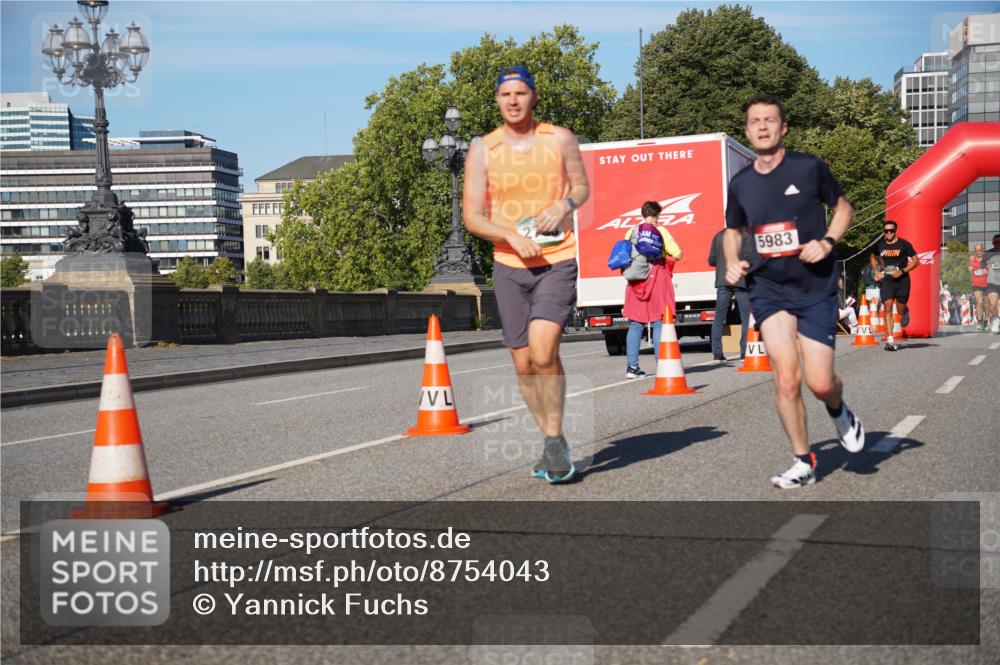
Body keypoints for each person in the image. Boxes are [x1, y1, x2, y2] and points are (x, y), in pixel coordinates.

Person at [723, 93, 865, 489]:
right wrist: (733, 259)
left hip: (814, 285)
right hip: (768, 287)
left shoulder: (808, 168)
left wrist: (829, 241)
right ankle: (803, 461)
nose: (763, 126)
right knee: (786, 378)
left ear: (784, 128)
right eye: (755, 121)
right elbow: (733, 231)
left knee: (819, 382)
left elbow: (843, 208)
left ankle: (838, 409)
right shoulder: (741, 183)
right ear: (747, 130)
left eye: (770, 120)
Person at [463, 66, 589, 484]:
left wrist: (564, 205)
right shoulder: (484, 149)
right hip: (509, 266)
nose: (513, 100)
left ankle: (554, 438)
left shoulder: (560, 138)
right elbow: (472, 217)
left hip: (557, 260)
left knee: (542, 350)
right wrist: (510, 237)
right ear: (497, 100)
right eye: (505, 94)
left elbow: (582, 187)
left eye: (520, 93)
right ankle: (552, 439)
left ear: (534, 97)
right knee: (522, 365)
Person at [622, 201, 683, 378]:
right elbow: (677, 253)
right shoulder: (661, 231)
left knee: (635, 323)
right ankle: (662, 365)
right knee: (659, 321)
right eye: (658, 217)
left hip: (636, 281)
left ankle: (632, 367)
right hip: (657, 278)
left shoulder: (631, 231)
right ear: (656, 215)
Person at [871, 220, 918, 351]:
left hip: (902, 281)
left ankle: (905, 310)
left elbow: (916, 261)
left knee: (899, 310)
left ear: (896, 231)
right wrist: (876, 272)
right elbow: (873, 257)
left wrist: (902, 271)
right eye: (886, 231)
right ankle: (890, 340)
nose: (889, 233)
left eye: (891, 230)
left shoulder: (904, 244)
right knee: (887, 307)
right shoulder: (879, 245)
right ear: (883, 232)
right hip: (887, 281)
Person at [708, 227, 751, 362]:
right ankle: (745, 352)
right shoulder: (745, 235)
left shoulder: (718, 235)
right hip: (741, 281)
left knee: (719, 317)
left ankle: (717, 354)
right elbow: (750, 258)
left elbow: (711, 260)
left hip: (723, 280)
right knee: (746, 318)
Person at [969, 243, 989, 331]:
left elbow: (991, 268)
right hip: (976, 284)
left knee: (987, 304)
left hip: (987, 283)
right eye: (977, 250)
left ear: (983, 250)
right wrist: (970, 268)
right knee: (979, 302)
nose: (979, 252)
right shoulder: (972, 258)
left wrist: (986, 269)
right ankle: (980, 322)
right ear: (975, 251)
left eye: (980, 250)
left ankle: (986, 321)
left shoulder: (987, 258)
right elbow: (969, 267)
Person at [985, 234, 1000, 334]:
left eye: (999, 243)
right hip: (992, 282)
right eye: (996, 243)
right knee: (993, 304)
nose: (997, 245)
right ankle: (995, 320)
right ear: (993, 243)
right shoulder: (987, 253)